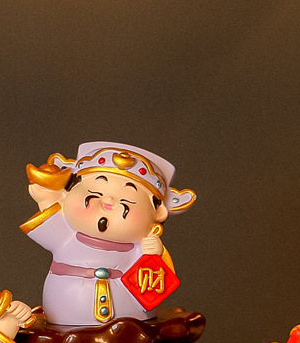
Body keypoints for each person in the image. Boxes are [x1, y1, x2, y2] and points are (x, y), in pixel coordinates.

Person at [21, 140, 195, 326]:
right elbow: (48, 215)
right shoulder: (66, 237)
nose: (108, 201)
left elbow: (155, 283)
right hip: (62, 312)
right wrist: (47, 198)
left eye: (127, 200)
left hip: (131, 321)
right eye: (95, 192)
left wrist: (153, 254)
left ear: (157, 213)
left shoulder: (139, 248)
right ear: (67, 195)